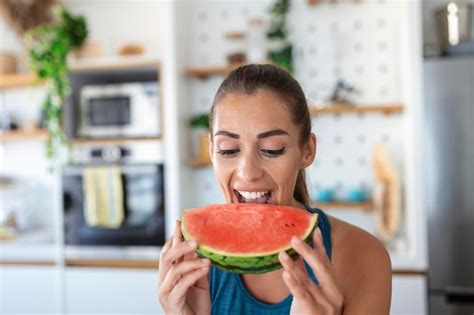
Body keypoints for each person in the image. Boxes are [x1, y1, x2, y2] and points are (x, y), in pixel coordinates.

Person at [157, 64, 392, 314]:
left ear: (307, 150)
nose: (248, 172)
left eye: (272, 149)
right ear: (212, 151)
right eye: (228, 149)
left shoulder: (362, 255)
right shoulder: (186, 261)